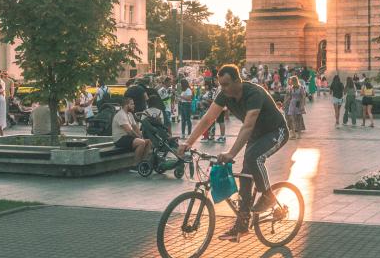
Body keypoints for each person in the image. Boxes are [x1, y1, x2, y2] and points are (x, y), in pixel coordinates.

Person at [178, 64, 289, 241]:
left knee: (254, 158)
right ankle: (242, 225)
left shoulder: (254, 93)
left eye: (227, 84)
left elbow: (248, 125)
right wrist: (188, 143)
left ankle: (268, 195)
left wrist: (231, 153)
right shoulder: (224, 95)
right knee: (246, 177)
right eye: (221, 84)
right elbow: (207, 119)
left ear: (238, 81)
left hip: (276, 132)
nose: (223, 88)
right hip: (256, 135)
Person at [112, 97, 151, 172]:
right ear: (126, 105)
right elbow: (129, 131)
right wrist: (139, 138)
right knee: (141, 142)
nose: (134, 105)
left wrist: (141, 136)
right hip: (120, 139)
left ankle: (143, 163)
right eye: (132, 104)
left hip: (127, 138)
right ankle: (135, 166)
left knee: (148, 141)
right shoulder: (121, 115)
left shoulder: (129, 114)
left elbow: (135, 127)